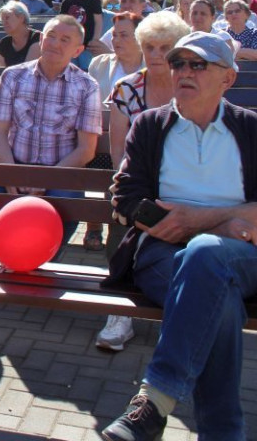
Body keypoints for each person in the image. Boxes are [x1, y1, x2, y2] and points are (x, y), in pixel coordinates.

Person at [100, 32, 257, 441]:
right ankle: (223, 433)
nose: (184, 72)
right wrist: (221, 222)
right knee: (216, 301)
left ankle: (154, 404)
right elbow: (126, 196)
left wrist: (201, 222)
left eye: (198, 64)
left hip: (243, 256)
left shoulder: (252, 130)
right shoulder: (150, 125)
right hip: (162, 255)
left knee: (207, 255)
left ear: (228, 78)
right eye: (178, 64)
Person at [94, 11, 189, 353]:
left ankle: (182, 314)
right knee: (122, 206)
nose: (156, 53)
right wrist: (135, 191)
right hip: (138, 183)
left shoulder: (193, 86)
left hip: (187, 185)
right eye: (149, 45)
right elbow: (119, 153)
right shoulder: (128, 88)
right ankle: (120, 312)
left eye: (165, 47)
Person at [0, 16, 103, 245]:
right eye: (50, 36)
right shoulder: (13, 76)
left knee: (67, 205)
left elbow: (86, 150)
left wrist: (47, 179)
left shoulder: (87, 86)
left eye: (65, 39)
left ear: (77, 50)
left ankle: (42, 262)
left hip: (59, 173)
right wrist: (9, 172)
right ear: (41, 40)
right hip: (14, 164)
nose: (55, 43)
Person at [83, 12, 145, 250]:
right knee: (91, 163)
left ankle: (120, 230)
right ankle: (94, 226)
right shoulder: (99, 63)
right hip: (101, 137)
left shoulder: (150, 65)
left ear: (140, 38)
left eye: (124, 35)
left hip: (135, 142)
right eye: (115, 35)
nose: (117, 40)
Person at [61, 0, 104, 68]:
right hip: (69, 46)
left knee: (88, 70)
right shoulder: (66, 2)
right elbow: (62, 22)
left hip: (87, 46)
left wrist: (95, 39)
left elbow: (98, 21)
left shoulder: (94, 1)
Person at [0, 1, 41, 68]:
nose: (4, 22)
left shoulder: (38, 38)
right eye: (2, 20)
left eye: (7, 18)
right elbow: (3, 74)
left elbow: (27, 72)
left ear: (21, 18)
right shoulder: (4, 44)